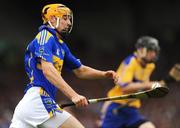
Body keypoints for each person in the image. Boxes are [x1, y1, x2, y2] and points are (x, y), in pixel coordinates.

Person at [9, 3, 116, 128]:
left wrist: (104, 74)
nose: (69, 23)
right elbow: (48, 70)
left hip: (29, 105)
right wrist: (74, 95)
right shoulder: (45, 36)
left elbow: (80, 70)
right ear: (53, 19)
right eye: (65, 18)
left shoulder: (60, 46)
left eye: (70, 19)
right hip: (38, 101)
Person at [100, 36, 160, 128]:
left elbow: (143, 87)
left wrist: (156, 87)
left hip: (132, 109)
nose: (153, 54)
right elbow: (125, 88)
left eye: (155, 51)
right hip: (116, 108)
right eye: (151, 50)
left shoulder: (150, 66)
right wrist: (149, 84)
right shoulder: (131, 62)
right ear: (141, 50)